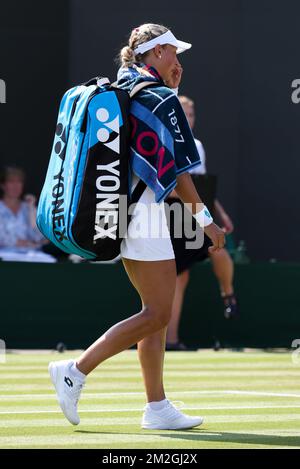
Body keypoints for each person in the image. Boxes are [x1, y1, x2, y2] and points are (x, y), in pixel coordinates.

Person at [48, 23, 225, 430]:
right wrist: (207, 222)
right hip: (142, 214)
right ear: (156, 52)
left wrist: (174, 95)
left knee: (155, 313)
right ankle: (75, 370)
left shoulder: (126, 87)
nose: (178, 61)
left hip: (122, 211)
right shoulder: (160, 97)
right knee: (157, 312)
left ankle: (157, 407)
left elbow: (152, 147)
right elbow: (179, 174)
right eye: (172, 53)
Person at [165, 96, 238, 351]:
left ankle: (228, 293)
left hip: (195, 214)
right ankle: (171, 340)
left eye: (192, 115)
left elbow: (201, 187)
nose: (188, 120)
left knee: (219, 249)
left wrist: (222, 214)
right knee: (179, 277)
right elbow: (169, 188)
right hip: (168, 217)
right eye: (183, 115)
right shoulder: (163, 140)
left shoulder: (197, 146)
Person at [0, 166, 46, 250]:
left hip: (32, 256)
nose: (16, 186)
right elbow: (2, 238)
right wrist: (28, 243)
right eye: (11, 182)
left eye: (19, 182)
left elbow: (40, 238)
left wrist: (31, 209)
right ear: (3, 185)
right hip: (5, 257)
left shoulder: (28, 207)